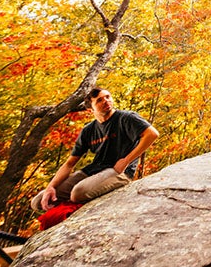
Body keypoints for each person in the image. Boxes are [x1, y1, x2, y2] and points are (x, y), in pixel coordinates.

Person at [31, 88, 159, 213]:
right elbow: (70, 163)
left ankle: (75, 212)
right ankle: (62, 213)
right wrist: (50, 187)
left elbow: (152, 134)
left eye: (108, 97)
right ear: (90, 108)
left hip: (119, 171)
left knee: (77, 193)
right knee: (39, 201)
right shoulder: (88, 130)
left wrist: (126, 160)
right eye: (99, 100)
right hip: (93, 170)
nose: (106, 101)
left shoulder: (126, 118)